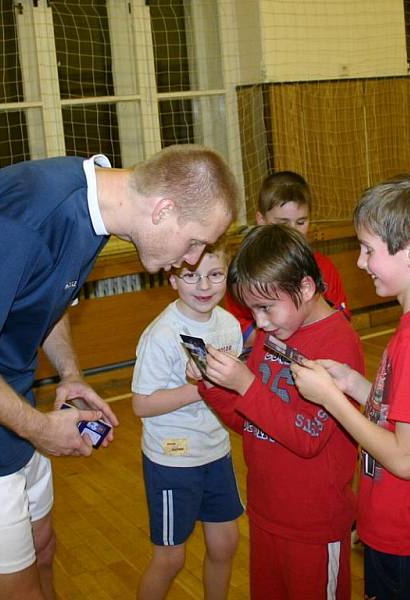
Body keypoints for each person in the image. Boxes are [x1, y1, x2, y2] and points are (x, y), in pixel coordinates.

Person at [0, 144, 238, 600]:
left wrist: (70, 374)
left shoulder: (96, 209)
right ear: (164, 209)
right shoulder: (30, 217)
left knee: (42, 547)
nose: (192, 259)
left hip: (5, 395)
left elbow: (51, 299)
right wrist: (40, 430)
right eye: (194, 242)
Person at [292, 174, 410, 600]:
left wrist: (333, 400)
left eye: (369, 249)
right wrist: (354, 383)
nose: (359, 262)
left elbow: (407, 459)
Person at [188, 224, 364, 600]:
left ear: (304, 288)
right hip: (267, 514)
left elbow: (307, 437)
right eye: (252, 310)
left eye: (265, 308)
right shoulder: (274, 333)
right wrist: (213, 387)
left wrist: (245, 384)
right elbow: (250, 423)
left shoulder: (338, 343)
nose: (260, 322)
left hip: (315, 525)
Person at [131, 241, 244, 600]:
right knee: (170, 558)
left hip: (216, 452)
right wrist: (203, 388)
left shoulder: (228, 325)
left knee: (225, 544)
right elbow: (141, 404)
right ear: (173, 279)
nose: (204, 286)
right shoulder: (162, 335)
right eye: (191, 276)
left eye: (215, 275)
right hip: (172, 459)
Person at [226, 171, 350, 348]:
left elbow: (341, 322)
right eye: (283, 223)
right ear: (261, 220)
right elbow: (239, 331)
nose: (293, 231)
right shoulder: (246, 270)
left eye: (301, 222)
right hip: (265, 360)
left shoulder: (324, 267)